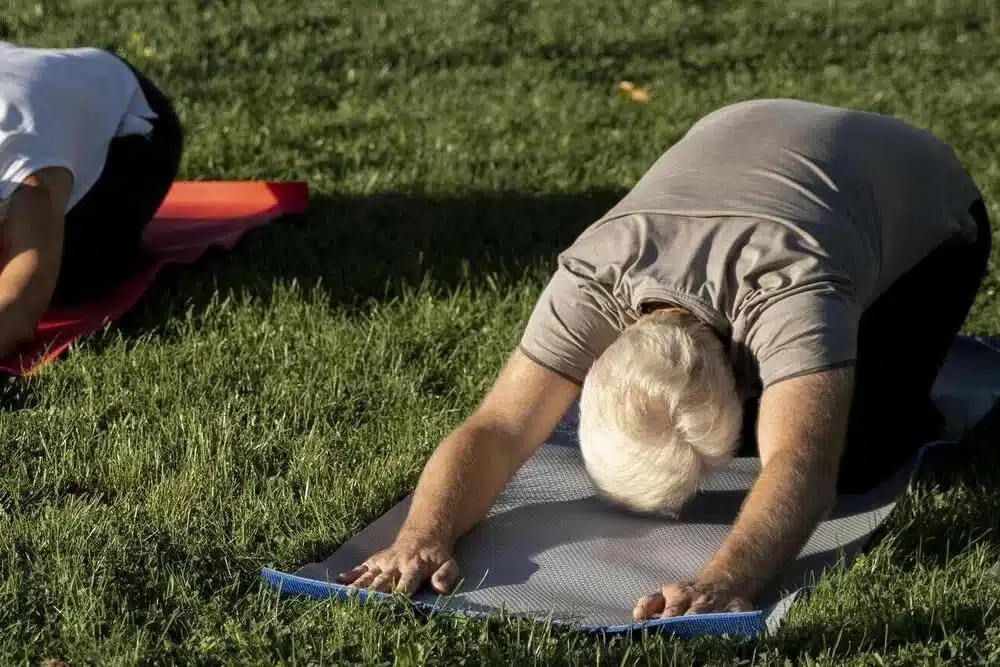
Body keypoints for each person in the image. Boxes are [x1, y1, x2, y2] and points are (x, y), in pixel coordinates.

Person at [337, 99, 993, 619]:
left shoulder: (794, 288)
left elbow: (806, 467)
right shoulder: (592, 277)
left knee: (856, 459)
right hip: (749, 132)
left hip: (933, 206)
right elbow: (498, 427)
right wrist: (423, 534)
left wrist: (723, 578)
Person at [0, 41, 183, 358]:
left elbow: (18, 309)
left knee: (72, 280)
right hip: (28, 76)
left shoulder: (30, 176)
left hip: (130, 119)